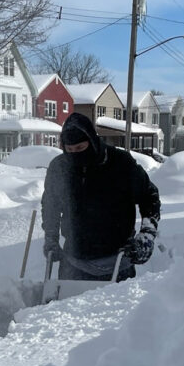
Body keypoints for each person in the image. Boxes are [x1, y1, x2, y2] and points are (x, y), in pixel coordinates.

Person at [41, 112, 161, 282]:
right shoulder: (59, 167)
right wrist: (51, 238)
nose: (75, 154)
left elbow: (150, 197)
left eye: (80, 148)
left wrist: (146, 236)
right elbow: (51, 206)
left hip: (118, 260)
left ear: (92, 141)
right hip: (74, 261)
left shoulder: (121, 163)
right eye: (70, 150)